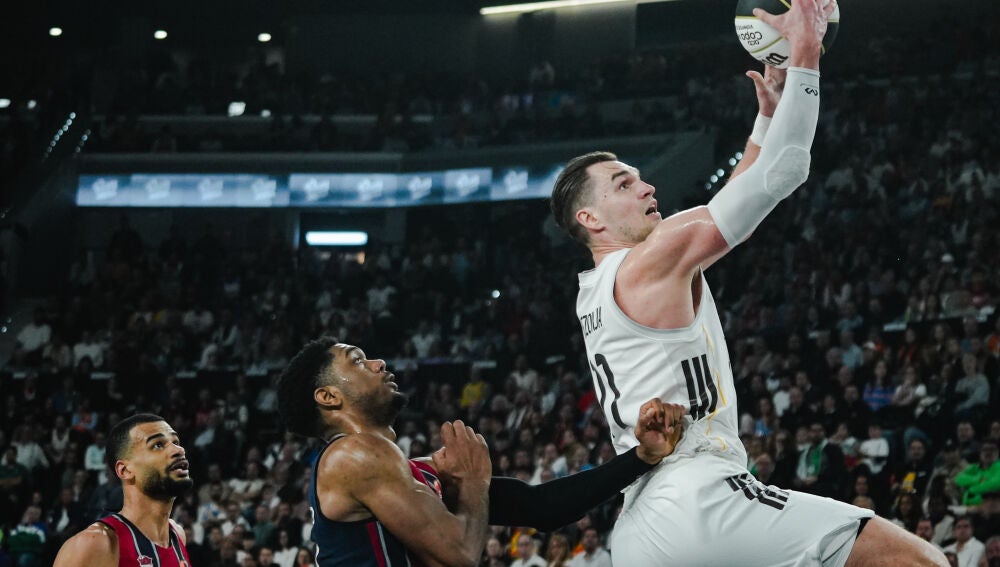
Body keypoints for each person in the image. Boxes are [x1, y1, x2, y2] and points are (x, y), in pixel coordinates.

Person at [547, 0, 947, 563]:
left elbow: (732, 200)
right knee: (919, 560)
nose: (646, 187)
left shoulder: (603, 285)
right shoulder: (649, 261)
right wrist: (805, 51)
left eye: (639, 177)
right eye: (623, 184)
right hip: (698, 497)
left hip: (640, 525)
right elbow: (785, 171)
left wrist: (767, 119)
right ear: (590, 218)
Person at [276, 337, 685, 566]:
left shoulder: (408, 472)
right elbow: (459, 555)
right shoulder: (351, 455)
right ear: (328, 397)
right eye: (358, 361)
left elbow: (543, 508)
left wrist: (641, 457)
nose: (379, 362)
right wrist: (471, 482)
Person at [53, 414, 193, 566]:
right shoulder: (95, 543)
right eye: (157, 445)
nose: (179, 450)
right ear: (125, 470)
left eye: (176, 442)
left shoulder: (178, 535)